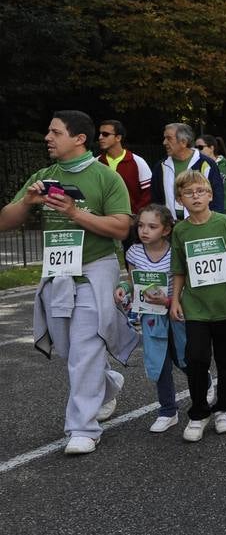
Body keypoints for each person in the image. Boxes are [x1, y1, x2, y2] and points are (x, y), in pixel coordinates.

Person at [0, 110, 138, 455]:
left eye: (55, 132)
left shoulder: (106, 178)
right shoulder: (43, 177)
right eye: (48, 131)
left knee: (85, 346)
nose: (48, 137)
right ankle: (108, 382)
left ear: (79, 139)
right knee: (69, 348)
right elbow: (4, 221)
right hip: (58, 272)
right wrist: (29, 202)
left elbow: (122, 228)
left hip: (96, 268)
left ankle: (82, 428)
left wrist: (75, 213)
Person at [169, 169, 226, 441]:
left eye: (200, 191)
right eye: (188, 193)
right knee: (196, 358)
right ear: (180, 200)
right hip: (196, 307)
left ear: (210, 195)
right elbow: (179, 269)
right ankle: (198, 413)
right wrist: (175, 298)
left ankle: (223, 409)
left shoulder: (224, 223)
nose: (195, 196)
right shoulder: (181, 231)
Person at [116, 204, 187, 433]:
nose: (144, 231)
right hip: (150, 316)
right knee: (160, 363)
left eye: (152, 226)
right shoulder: (133, 252)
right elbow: (133, 280)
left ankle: (203, 381)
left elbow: (183, 283)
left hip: (175, 313)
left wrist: (170, 302)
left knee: (182, 358)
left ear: (166, 230)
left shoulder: (175, 252)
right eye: (141, 226)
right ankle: (168, 411)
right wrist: (123, 289)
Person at [152, 123, 225, 220]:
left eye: (169, 138)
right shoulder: (160, 167)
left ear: (183, 142)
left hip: (202, 224)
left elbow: (217, 196)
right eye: (164, 138)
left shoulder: (207, 164)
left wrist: (214, 223)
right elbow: (156, 200)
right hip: (170, 227)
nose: (164, 142)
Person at [95, 119, 151, 243]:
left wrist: (135, 217)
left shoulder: (137, 162)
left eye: (105, 134)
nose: (100, 137)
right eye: (99, 134)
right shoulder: (96, 163)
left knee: (132, 260)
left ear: (118, 137)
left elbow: (148, 193)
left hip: (132, 224)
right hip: (102, 223)